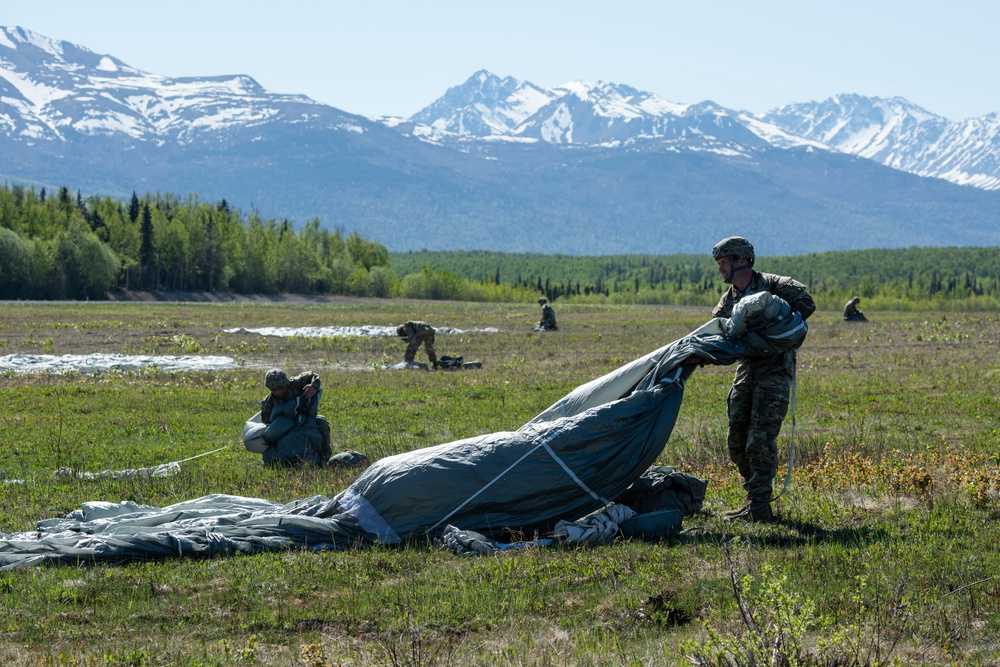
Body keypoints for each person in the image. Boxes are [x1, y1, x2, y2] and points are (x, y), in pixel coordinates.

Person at [704, 236, 816, 522]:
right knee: (737, 442)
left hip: (775, 372)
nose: (720, 269)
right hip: (746, 371)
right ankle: (753, 497)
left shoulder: (777, 285)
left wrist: (777, 332)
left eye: (723, 262)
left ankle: (760, 507)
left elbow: (806, 305)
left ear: (741, 260)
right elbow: (718, 330)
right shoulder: (729, 299)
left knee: (760, 442)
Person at [259, 368, 332, 466]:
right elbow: (269, 429)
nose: (277, 392)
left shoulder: (297, 383)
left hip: (305, 419)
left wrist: (313, 386)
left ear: (285, 384)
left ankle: (324, 458)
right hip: (286, 429)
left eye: (280, 388)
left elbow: (314, 376)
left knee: (321, 422)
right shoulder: (267, 405)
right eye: (273, 390)